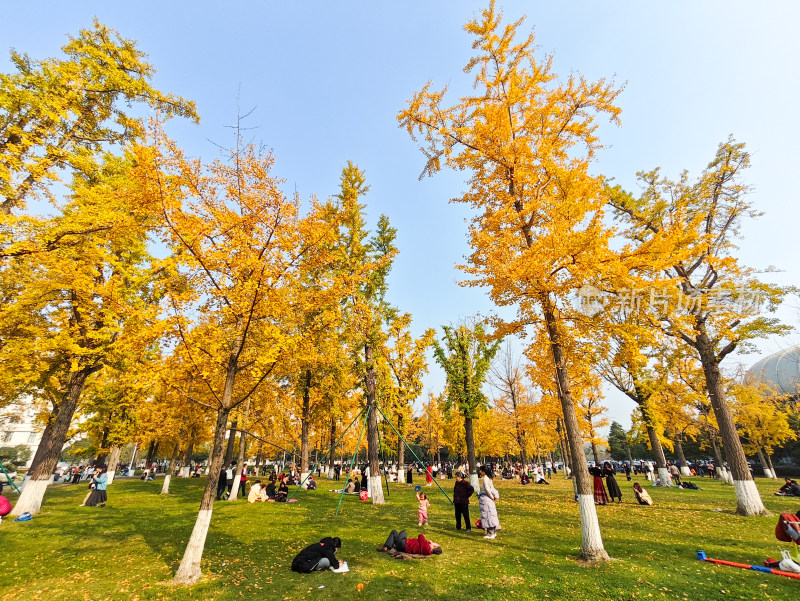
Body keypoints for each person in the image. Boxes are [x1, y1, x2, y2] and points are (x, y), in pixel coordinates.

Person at [477, 465, 500, 539]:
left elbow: (487, 488)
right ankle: (493, 532)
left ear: (483, 471)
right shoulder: (489, 478)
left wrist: (491, 496)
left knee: (488, 515)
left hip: (486, 499)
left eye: (480, 470)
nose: (480, 472)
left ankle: (490, 533)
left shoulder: (486, 478)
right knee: (491, 514)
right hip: (489, 499)